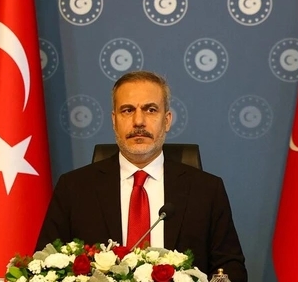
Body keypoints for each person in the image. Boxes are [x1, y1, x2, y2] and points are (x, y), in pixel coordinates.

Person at [36, 70, 247, 282]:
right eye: (127, 110)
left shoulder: (206, 191)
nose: (138, 121)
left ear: (167, 120)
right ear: (114, 120)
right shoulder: (74, 189)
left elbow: (231, 268)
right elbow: (45, 265)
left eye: (150, 110)